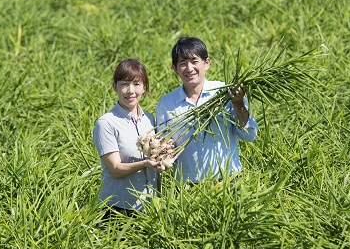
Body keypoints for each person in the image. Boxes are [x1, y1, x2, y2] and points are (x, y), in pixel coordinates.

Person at [156, 37, 258, 184]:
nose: (189, 68)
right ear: (175, 69)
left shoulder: (227, 93)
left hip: (228, 182)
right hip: (187, 188)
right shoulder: (166, 104)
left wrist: (238, 104)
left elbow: (250, 135)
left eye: (194, 61)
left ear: (207, 63)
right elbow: (163, 147)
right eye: (183, 63)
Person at [93, 58, 162, 218]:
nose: (130, 90)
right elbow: (115, 170)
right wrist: (145, 164)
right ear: (115, 86)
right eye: (124, 84)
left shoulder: (150, 120)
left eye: (136, 84)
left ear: (144, 88)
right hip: (118, 210)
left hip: (150, 208)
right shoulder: (106, 123)